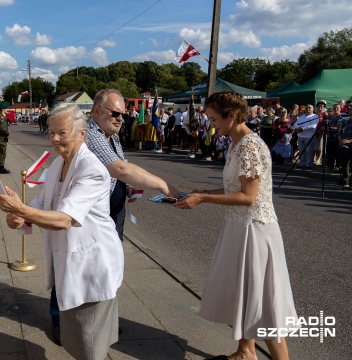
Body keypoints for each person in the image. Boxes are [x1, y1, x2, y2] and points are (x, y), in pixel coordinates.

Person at [173, 91, 298, 360]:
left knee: (264, 304)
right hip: (240, 227)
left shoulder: (249, 146)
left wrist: (203, 198)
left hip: (255, 229)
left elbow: (249, 197)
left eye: (215, 119)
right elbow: (234, 187)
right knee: (245, 293)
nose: (211, 124)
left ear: (232, 116)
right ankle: (245, 351)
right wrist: (203, 190)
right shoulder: (235, 142)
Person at [0, 103, 123, 359]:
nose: (54, 138)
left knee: (90, 342)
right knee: (74, 336)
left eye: (62, 133)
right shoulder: (57, 164)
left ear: (81, 134)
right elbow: (42, 204)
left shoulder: (92, 170)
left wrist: (23, 209)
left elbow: (65, 219)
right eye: (51, 132)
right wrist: (20, 216)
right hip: (70, 262)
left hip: (92, 265)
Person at [86, 88, 179, 240]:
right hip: (96, 223)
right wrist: (162, 185)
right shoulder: (91, 135)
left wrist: (128, 186)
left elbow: (119, 169)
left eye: (122, 114)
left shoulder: (112, 136)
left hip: (112, 217)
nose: (120, 119)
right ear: (97, 110)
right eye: (115, 113)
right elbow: (120, 169)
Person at [295, 104, 319, 169]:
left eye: (310, 108)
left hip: (309, 136)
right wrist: (299, 128)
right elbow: (295, 124)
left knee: (309, 151)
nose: (308, 109)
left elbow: (313, 126)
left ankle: (308, 165)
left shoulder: (315, 116)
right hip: (300, 136)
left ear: (313, 109)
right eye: (307, 108)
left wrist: (303, 128)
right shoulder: (302, 116)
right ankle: (302, 164)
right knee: (301, 150)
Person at [0, 106, 10, 174]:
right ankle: (2, 168)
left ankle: (2, 167)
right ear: (3, 109)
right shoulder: (1, 117)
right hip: (1, 138)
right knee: (1, 152)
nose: (7, 109)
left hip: (2, 137)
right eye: (6, 108)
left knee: (2, 152)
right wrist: (6, 133)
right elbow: (1, 127)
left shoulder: (3, 116)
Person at [338, 110, 352, 188]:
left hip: (350, 143)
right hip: (344, 144)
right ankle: (345, 181)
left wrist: (349, 140)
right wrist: (340, 141)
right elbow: (340, 132)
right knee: (344, 164)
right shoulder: (345, 121)